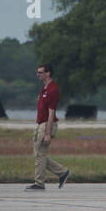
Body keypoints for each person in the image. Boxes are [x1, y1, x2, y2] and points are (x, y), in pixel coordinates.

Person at [26, 63, 70, 191]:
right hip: (40, 124)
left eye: (40, 72)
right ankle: (62, 172)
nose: (38, 74)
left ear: (48, 73)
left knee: (40, 155)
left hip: (47, 125)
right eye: (38, 72)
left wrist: (47, 133)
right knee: (38, 155)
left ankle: (39, 183)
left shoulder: (52, 89)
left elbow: (51, 112)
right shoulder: (45, 88)